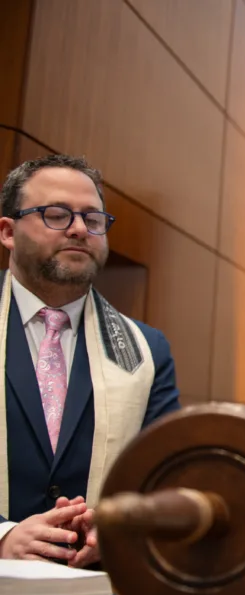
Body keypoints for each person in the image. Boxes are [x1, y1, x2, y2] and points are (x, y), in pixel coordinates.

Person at [0, 154, 180, 565]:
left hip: (96, 592)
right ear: (8, 232)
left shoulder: (145, 350)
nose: (80, 229)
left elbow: (165, 475)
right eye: (57, 215)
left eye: (93, 219)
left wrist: (120, 526)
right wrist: (4, 536)